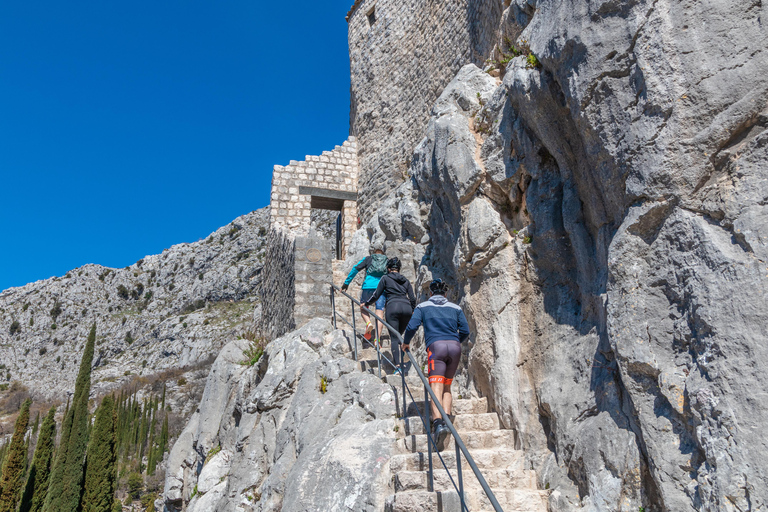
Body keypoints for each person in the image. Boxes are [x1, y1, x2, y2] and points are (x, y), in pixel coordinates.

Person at [403, 278, 470, 450]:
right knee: (447, 386)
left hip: (436, 347)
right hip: (454, 348)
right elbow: (465, 331)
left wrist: (406, 343)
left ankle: (438, 423)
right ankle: (447, 420)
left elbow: (411, 327)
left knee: (435, 385)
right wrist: (456, 342)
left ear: (430, 293)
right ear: (446, 294)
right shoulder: (455, 308)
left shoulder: (423, 307)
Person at [364, 257, 416, 374]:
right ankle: (402, 355)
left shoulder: (385, 278)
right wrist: (412, 310)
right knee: (399, 336)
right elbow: (412, 299)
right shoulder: (406, 281)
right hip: (406, 308)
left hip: (393, 307)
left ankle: (398, 366)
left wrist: (366, 303)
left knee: (393, 337)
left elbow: (376, 295)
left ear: (388, 268)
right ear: (399, 268)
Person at [340, 243, 388, 343]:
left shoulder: (368, 259)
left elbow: (355, 268)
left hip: (368, 288)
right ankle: (377, 339)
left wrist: (346, 283)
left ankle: (368, 323)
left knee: (363, 307)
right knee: (379, 313)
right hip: (381, 289)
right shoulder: (387, 261)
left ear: (374, 254)